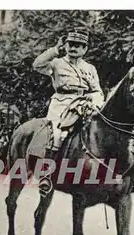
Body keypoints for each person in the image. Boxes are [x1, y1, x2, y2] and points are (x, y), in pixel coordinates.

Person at [32, 27, 105, 194]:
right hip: (62, 104)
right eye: (71, 44)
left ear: (85, 49)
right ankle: (47, 174)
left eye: (79, 45)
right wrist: (54, 51)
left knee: (98, 132)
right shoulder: (56, 64)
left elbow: (97, 90)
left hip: (84, 104)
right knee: (57, 134)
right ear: (65, 45)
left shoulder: (90, 68)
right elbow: (37, 65)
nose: (74, 48)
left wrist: (96, 103)